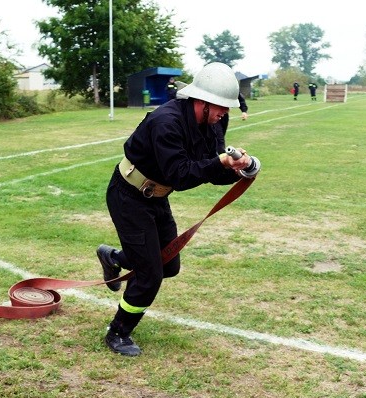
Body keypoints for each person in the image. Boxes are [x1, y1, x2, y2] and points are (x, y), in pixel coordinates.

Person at [96, 62, 254, 356]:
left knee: (168, 264)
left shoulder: (215, 122)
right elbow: (181, 175)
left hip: (157, 196)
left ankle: (114, 257)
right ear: (202, 101)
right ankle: (118, 332)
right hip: (128, 195)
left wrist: (237, 170)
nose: (224, 112)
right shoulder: (165, 122)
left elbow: (209, 169)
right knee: (150, 275)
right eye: (220, 106)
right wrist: (219, 162)